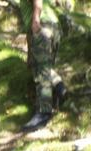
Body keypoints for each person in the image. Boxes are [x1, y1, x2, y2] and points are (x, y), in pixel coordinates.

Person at [20, 0, 68, 132]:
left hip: (42, 25)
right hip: (52, 26)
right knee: (39, 66)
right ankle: (59, 88)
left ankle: (43, 113)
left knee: (41, 71)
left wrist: (35, 20)